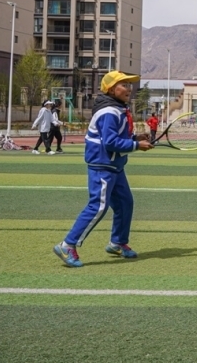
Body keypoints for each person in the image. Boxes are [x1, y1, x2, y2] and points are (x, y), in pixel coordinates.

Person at [53, 71, 154, 268]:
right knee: (98, 206)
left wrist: (135, 138)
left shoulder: (117, 108)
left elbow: (115, 137)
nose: (129, 88)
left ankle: (117, 242)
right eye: (123, 84)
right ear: (111, 89)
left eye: (129, 84)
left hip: (114, 165)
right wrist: (136, 146)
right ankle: (67, 245)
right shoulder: (109, 111)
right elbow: (110, 142)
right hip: (102, 165)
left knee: (125, 203)